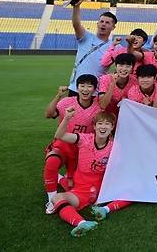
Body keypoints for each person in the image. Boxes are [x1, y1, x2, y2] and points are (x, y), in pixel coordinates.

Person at [49, 108, 117, 237]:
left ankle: (101, 211)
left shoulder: (115, 146)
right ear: (94, 126)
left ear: (112, 127)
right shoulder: (84, 139)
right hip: (79, 186)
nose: (103, 127)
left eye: (107, 124)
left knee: (58, 197)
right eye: (100, 123)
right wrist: (67, 117)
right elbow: (59, 135)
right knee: (58, 195)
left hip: (98, 190)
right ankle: (82, 223)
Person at [43, 75, 100, 214]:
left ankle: (60, 178)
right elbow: (48, 114)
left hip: (83, 150)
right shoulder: (66, 102)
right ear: (77, 87)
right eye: (82, 85)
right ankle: (51, 200)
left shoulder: (99, 105)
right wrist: (58, 96)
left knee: (73, 187)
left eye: (89, 86)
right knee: (52, 161)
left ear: (94, 89)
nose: (85, 89)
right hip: (64, 144)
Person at [67, 0, 116, 96]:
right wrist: (76, 7)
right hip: (76, 87)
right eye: (101, 21)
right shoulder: (86, 36)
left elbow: (123, 64)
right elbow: (76, 25)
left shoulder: (115, 47)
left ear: (113, 27)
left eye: (107, 23)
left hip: (96, 90)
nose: (103, 24)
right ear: (97, 24)